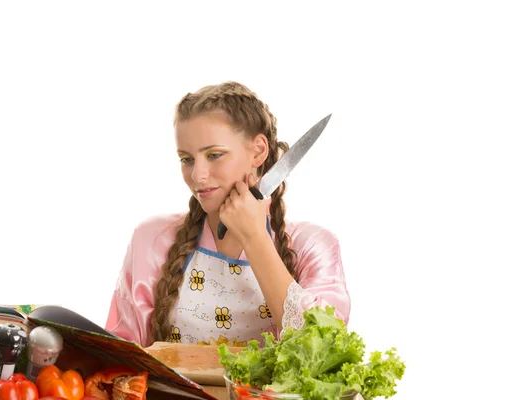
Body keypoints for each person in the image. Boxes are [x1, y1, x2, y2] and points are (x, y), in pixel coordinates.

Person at [105, 81, 350, 348]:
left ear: (258, 151)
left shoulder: (313, 245)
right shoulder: (150, 238)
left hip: (259, 394)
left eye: (214, 155)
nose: (197, 175)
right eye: (186, 159)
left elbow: (321, 349)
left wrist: (255, 237)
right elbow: (122, 355)